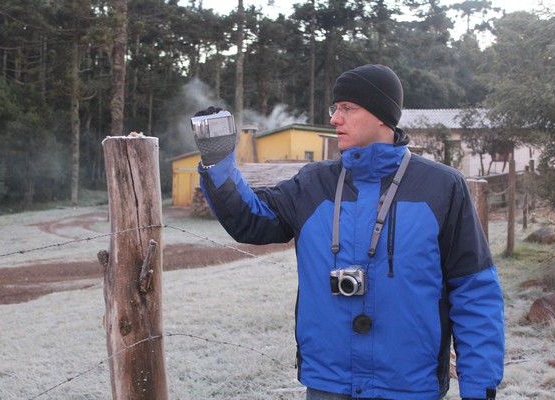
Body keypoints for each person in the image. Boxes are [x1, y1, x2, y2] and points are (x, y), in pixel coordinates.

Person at [192, 64, 504, 400]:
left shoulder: (441, 187)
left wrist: (479, 388)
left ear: (382, 115)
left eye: (347, 108)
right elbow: (249, 219)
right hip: (329, 383)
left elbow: (474, 291)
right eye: (335, 108)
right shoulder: (312, 183)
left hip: (409, 386)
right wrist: (218, 160)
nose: (335, 119)